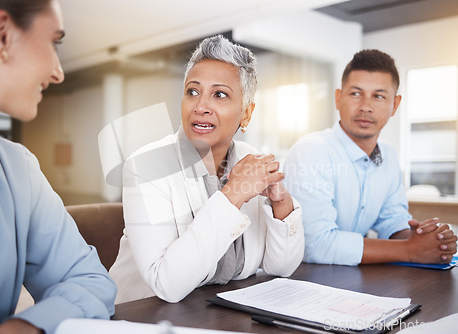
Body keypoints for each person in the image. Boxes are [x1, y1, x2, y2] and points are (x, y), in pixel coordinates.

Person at [0, 1, 116, 333]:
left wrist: (22, 327)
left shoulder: (19, 170)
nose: (58, 72)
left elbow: (90, 281)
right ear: (2, 36)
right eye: (53, 42)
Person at [110, 35, 304, 303]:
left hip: (213, 312)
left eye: (220, 94)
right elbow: (166, 284)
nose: (201, 107)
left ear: (246, 114)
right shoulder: (145, 166)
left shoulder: (250, 160)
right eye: (193, 91)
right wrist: (233, 194)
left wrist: (281, 203)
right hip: (142, 315)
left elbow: (281, 267)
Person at [283, 49, 457, 265]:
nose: (365, 106)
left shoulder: (388, 155)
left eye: (379, 96)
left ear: (394, 105)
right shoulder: (312, 151)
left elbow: (392, 221)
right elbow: (315, 244)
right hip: (305, 280)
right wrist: (409, 250)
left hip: (353, 280)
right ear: (339, 99)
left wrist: (429, 241)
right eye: (355, 93)